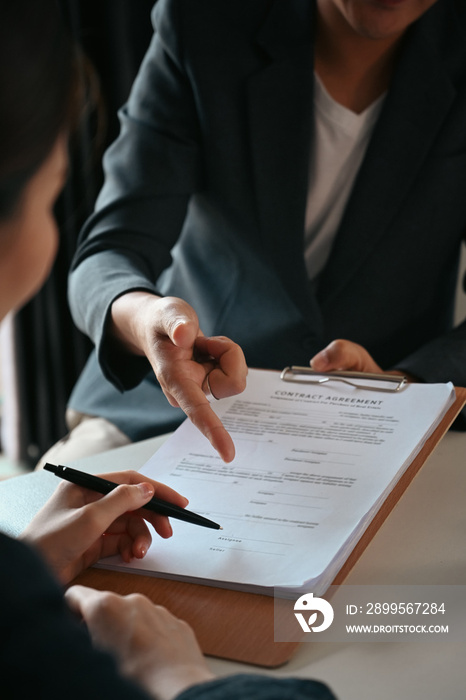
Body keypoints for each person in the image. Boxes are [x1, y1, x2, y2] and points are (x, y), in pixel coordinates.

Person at [0, 2, 337, 699]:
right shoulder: (204, 27)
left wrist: (413, 378)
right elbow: (109, 249)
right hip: (149, 404)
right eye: (53, 193)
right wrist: (179, 678)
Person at [51, 0, 466, 469]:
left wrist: (403, 383)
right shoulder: (204, 23)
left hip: (387, 420)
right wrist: (146, 318)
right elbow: (108, 250)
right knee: (50, 526)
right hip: (176, 400)